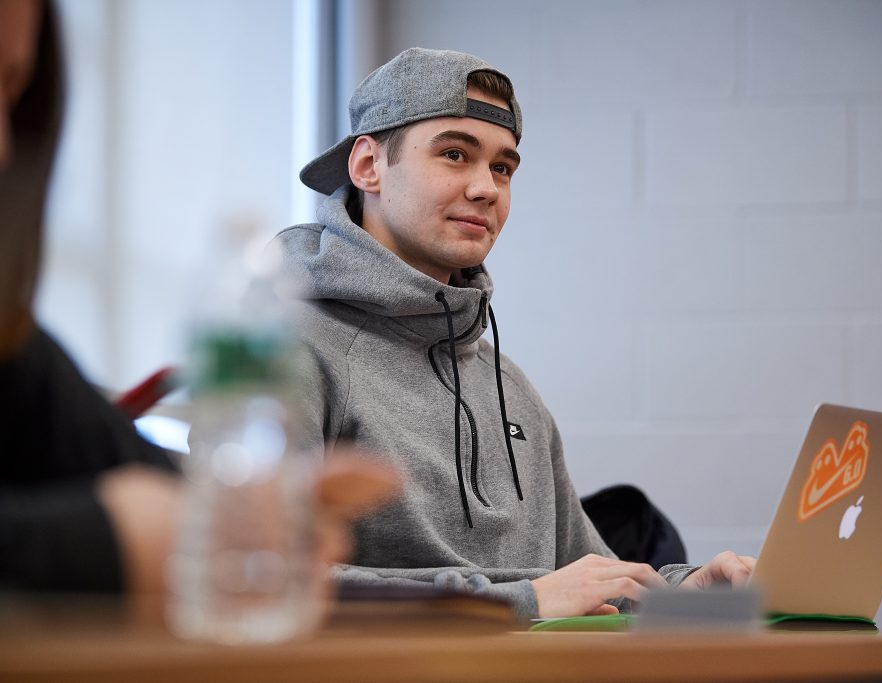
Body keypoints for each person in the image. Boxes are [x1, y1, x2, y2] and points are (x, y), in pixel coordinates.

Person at [274, 48, 755, 619]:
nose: (487, 189)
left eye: (503, 167)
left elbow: (588, 573)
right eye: (455, 154)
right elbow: (262, 574)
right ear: (368, 166)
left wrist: (688, 589)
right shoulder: (286, 350)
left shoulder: (509, 385)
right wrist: (521, 601)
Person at [0, 0, 396, 596]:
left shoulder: (13, 346)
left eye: (10, 93)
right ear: (366, 165)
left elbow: (113, 453)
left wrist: (274, 509)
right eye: (452, 154)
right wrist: (103, 547)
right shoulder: (295, 331)